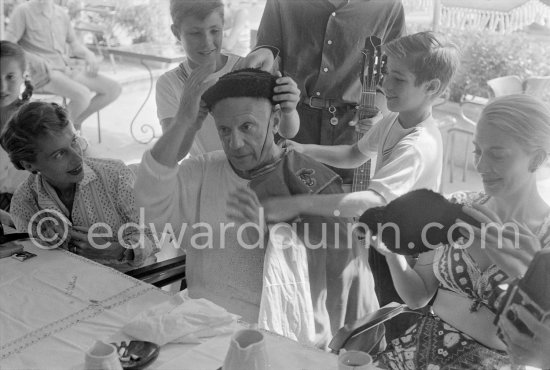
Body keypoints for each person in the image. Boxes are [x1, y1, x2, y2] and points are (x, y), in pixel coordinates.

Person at [135, 68, 379, 348]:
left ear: (275, 121)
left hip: (274, 338)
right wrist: (183, 121)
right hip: (197, 325)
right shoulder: (202, 171)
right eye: (224, 130)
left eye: (247, 127)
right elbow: (148, 208)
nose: (234, 144)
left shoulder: (310, 182)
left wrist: (278, 234)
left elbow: (343, 278)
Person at [248, 32, 460, 335]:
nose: (385, 85)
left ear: (432, 88)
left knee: (394, 328)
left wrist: (295, 203)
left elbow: (373, 200)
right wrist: (305, 149)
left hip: (410, 252)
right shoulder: (395, 119)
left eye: (398, 79)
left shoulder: (418, 145)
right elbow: (353, 154)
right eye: (386, 73)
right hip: (388, 237)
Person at [374, 94, 550, 368]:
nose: (480, 166)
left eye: (497, 154)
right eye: (477, 151)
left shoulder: (546, 240)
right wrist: (391, 252)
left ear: (536, 158)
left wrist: (532, 275)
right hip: (413, 353)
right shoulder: (455, 208)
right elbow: (418, 295)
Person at [241, 0, 406, 184]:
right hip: (292, 121)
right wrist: (263, 54)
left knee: (342, 207)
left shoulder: (388, 5)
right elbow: (268, 44)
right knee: (288, 203)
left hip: (352, 133)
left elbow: (390, 74)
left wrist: (377, 113)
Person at [1, 102, 158, 272]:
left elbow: (151, 237)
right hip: (68, 287)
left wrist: (117, 251)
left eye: (74, 141)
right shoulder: (24, 203)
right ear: (29, 165)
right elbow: (33, 263)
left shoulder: (115, 175)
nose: (77, 158)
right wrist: (46, 242)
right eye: (59, 154)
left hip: (138, 280)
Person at [157, 0, 298, 157]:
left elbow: (287, 131)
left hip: (258, 176)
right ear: (176, 32)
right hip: (209, 176)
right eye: (195, 33)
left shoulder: (247, 69)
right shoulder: (169, 83)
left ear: (223, 25)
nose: (207, 42)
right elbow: (173, 154)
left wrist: (289, 109)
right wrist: (187, 118)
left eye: (215, 31)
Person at [5, 0, 122, 131]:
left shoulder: (61, 14)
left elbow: (75, 44)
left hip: (65, 68)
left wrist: (89, 54)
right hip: (41, 74)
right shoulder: (23, 11)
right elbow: (8, 45)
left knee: (113, 88)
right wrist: (32, 58)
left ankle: (72, 124)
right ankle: (60, 134)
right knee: (83, 95)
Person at [0, 41, 31, 225]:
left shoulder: (42, 120)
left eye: (10, 76)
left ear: (23, 77)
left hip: (39, 218)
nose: (2, 87)